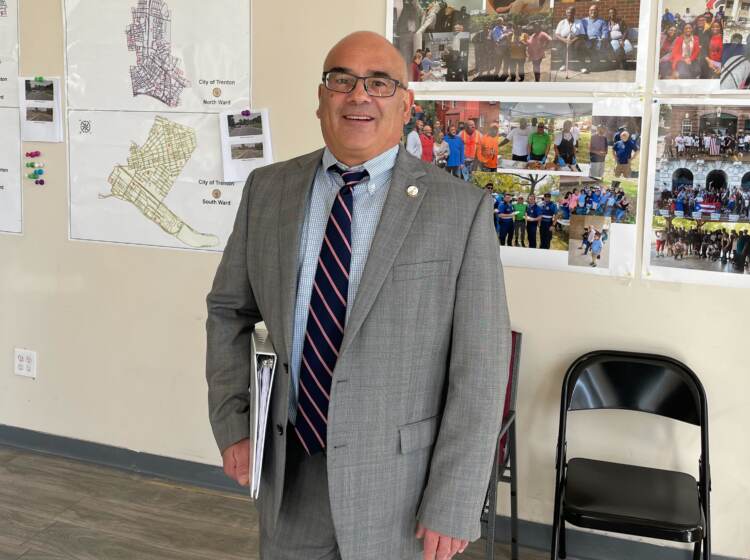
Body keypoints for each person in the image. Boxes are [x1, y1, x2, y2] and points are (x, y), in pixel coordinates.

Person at [205, 31, 510, 560]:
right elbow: (229, 312)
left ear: (406, 104)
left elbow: (480, 368)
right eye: (341, 80)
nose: (359, 95)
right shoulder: (267, 191)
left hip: (401, 492)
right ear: (321, 99)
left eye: (379, 83)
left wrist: (456, 499)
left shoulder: (460, 211)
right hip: (290, 472)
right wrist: (235, 423)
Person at [555, 6, 588, 73]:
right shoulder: (562, 22)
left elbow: (582, 34)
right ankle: (564, 64)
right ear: (566, 13)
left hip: (576, 39)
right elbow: (557, 34)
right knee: (559, 46)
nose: (570, 14)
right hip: (564, 40)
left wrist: (572, 41)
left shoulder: (579, 22)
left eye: (572, 12)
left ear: (574, 13)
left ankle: (582, 66)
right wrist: (565, 40)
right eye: (568, 12)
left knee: (580, 45)